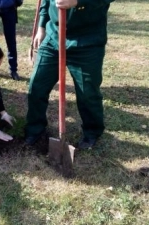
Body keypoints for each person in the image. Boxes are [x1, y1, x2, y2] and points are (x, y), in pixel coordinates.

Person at [24, 0, 114, 149]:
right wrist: (41, 26)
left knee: (88, 93)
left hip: (87, 41)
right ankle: (35, 129)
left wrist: (78, 1)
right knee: (37, 85)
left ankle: (92, 132)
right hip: (53, 37)